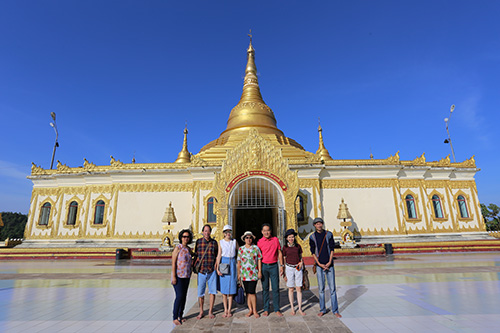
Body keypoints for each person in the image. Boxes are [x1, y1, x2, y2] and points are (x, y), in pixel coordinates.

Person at [309, 217, 342, 318]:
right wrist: (319, 263)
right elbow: (312, 251)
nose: (319, 225)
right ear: (314, 225)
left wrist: (329, 262)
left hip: (329, 265)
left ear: (322, 224)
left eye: (320, 223)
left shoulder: (329, 234)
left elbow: (332, 249)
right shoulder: (312, 237)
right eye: (317, 224)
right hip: (320, 266)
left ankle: (335, 310)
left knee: (332, 289)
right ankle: (322, 309)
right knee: (321, 289)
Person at [257, 223, 284, 317]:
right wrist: (259, 270)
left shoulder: (275, 240)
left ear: (270, 231)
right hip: (264, 266)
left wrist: (281, 265)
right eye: (264, 230)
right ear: (262, 232)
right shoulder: (259, 242)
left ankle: (276, 308)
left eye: (268, 230)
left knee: (275, 288)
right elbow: (258, 257)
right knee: (265, 289)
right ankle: (266, 308)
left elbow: (279, 253)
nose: (266, 232)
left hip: (273, 266)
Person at [193, 224, 218, 319]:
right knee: (200, 292)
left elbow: (216, 255)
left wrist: (216, 265)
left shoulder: (214, 243)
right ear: (203, 232)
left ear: (210, 232)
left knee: (212, 291)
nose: (207, 233)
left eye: (208, 231)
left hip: (211, 270)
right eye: (205, 231)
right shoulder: (199, 242)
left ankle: (210, 311)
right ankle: (201, 311)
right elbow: (196, 254)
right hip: (202, 271)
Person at [237, 231, 263, 318]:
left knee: (252, 292)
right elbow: (239, 262)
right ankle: (250, 309)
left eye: (250, 237)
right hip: (244, 273)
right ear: (244, 239)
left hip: (253, 273)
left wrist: (259, 271)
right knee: (247, 292)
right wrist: (239, 274)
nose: (248, 239)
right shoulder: (241, 249)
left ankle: (255, 310)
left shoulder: (255, 248)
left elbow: (259, 259)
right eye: (247, 238)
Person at [171, 229, 193, 326]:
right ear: (181, 238)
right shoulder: (177, 248)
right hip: (178, 276)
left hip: (186, 276)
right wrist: (174, 276)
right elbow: (173, 263)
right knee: (179, 296)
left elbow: (193, 258)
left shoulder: (188, 249)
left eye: (187, 237)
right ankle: (175, 317)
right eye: (184, 236)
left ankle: (180, 315)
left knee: (184, 297)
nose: (186, 238)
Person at [216, 224, 238, 318]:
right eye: (226, 232)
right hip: (224, 264)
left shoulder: (234, 242)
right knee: (224, 290)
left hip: (232, 263)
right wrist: (217, 268)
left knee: (232, 288)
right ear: (224, 233)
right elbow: (219, 255)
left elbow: (240, 251)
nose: (228, 233)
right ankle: (225, 309)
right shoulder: (220, 242)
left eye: (229, 232)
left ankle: (229, 310)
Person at [282, 228, 305, 316]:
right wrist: (283, 272)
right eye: (289, 237)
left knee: (298, 288)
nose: (291, 239)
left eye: (292, 237)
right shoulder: (285, 248)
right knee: (291, 288)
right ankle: (292, 307)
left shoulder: (298, 246)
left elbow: (300, 256)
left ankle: (300, 308)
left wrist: (301, 262)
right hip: (289, 268)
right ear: (287, 238)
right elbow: (284, 259)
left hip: (297, 268)